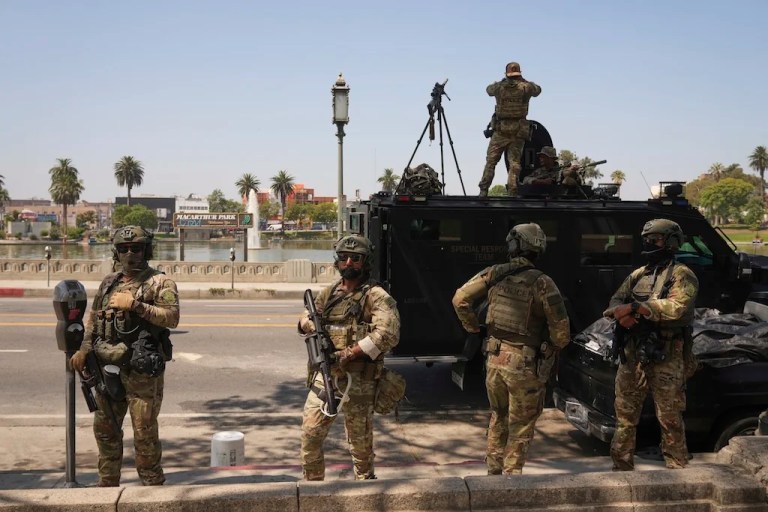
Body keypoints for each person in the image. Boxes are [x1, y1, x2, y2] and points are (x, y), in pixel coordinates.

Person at [452, 223, 570, 474]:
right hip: (524, 365)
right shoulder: (543, 283)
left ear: (513, 246)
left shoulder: (495, 273)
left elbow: (460, 299)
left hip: (494, 360)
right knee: (521, 427)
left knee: (498, 418)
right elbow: (562, 334)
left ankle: (493, 475)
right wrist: (549, 347)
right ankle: (511, 484)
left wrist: (473, 328)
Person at [69, 226, 179, 487]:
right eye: (123, 249)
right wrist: (84, 349)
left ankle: (152, 485)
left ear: (147, 250)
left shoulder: (160, 282)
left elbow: (172, 318)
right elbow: (94, 318)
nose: (130, 253)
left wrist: (136, 305)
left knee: (144, 432)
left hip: (141, 370)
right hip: (108, 367)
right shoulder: (109, 282)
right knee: (105, 429)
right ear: (116, 252)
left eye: (136, 248)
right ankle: (107, 483)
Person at [298, 234, 400, 481]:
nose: (349, 263)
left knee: (360, 449)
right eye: (344, 258)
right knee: (310, 438)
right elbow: (304, 318)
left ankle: (364, 494)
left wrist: (350, 352)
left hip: (359, 383)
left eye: (356, 258)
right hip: (327, 378)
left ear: (366, 262)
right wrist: (313, 327)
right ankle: (313, 492)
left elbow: (388, 334)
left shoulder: (375, 296)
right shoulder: (330, 293)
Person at [603, 219, 698, 471]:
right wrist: (620, 313)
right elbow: (616, 300)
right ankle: (620, 467)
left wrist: (638, 308)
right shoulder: (639, 274)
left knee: (669, 417)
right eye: (647, 239)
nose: (648, 244)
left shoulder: (682, 274)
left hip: (666, 355)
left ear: (670, 242)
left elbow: (678, 308)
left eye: (655, 239)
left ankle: (677, 469)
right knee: (624, 416)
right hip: (633, 355)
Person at [479, 62, 542, 198]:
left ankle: (483, 190)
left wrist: (502, 82)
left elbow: (488, 90)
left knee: (491, 162)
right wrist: (524, 81)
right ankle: (512, 193)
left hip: (500, 131)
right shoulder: (526, 87)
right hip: (518, 131)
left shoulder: (499, 87)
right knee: (514, 163)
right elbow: (538, 90)